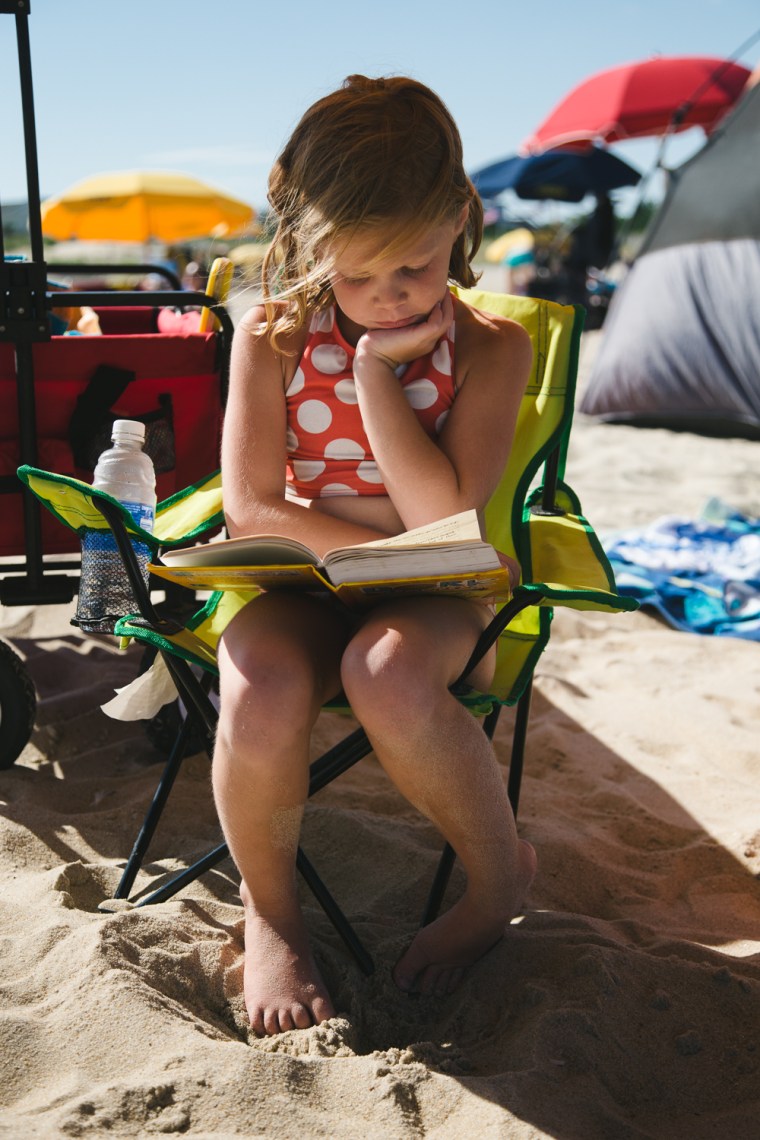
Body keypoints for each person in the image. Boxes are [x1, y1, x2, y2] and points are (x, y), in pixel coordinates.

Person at [217, 74, 536, 1037]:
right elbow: (251, 505)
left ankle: (497, 883)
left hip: (437, 595)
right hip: (299, 579)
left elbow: (448, 519)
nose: (387, 298)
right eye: (355, 278)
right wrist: (376, 546)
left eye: (413, 268)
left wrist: (372, 380)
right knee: (260, 682)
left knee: (388, 674)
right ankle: (270, 909)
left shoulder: (491, 348)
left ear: (462, 221)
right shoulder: (269, 336)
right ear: (309, 248)